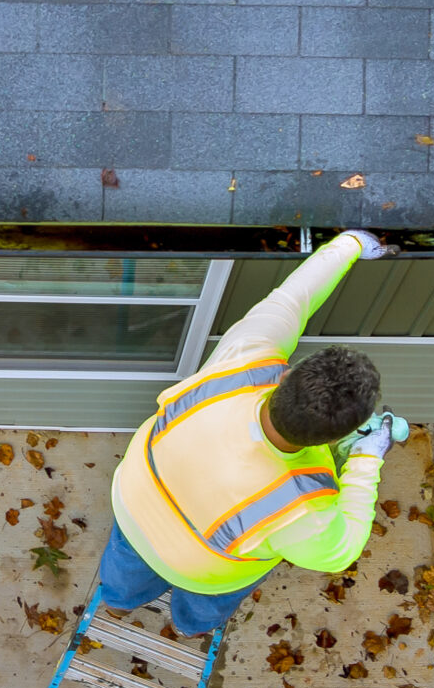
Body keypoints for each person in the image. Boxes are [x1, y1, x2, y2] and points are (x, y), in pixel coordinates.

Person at [96, 229, 396, 638]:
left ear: (286, 374)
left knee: (125, 567)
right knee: (208, 600)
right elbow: (340, 550)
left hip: (135, 502)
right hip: (204, 568)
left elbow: (293, 299)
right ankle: (189, 628)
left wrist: (349, 246)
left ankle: (117, 604)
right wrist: (366, 458)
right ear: (333, 438)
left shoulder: (245, 360)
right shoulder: (302, 507)